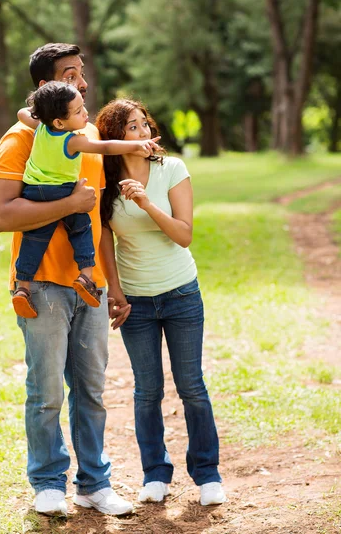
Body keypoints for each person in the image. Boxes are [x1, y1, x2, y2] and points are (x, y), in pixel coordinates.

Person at [0, 43, 133, 518]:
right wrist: (68, 205)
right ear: (44, 88)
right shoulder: (19, 138)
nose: (83, 82)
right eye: (70, 75)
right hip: (43, 287)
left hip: (87, 285)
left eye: (81, 72)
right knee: (47, 392)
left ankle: (95, 483)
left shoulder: (86, 133)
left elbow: (101, 221)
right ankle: (49, 482)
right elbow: (3, 215)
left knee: (92, 390)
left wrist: (113, 284)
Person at [96, 98, 226, 506]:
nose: (139, 133)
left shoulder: (171, 170)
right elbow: (104, 239)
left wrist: (145, 202)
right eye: (128, 128)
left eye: (141, 125)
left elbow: (183, 235)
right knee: (147, 390)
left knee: (191, 386)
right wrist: (114, 291)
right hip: (135, 299)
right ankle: (155, 473)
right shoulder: (103, 178)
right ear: (114, 139)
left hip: (181, 292)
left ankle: (207, 474)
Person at [12, 81, 160, 318]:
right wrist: (137, 144)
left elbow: (22, 113)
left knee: (33, 240)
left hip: (34, 192)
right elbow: (107, 146)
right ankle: (86, 276)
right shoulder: (73, 140)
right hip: (62, 192)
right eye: (79, 111)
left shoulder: (40, 126)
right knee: (82, 230)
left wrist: (38, 110)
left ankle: (22, 288)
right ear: (59, 122)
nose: (86, 113)